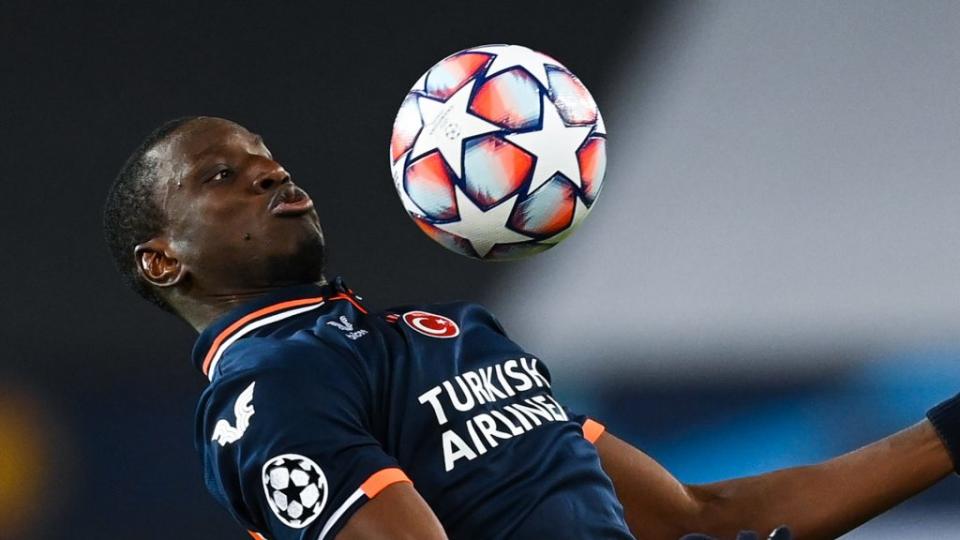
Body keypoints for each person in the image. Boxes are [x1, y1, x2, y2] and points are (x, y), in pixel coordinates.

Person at [103, 116, 959, 540]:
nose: (270, 175)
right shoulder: (269, 391)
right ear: (162, 260)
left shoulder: (455, 336)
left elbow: (704, 514)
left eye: (271, 162)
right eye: (223, 174)